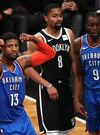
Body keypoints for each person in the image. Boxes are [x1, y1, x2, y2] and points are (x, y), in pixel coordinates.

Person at [0, 32, 56, 134]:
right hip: (4, 124)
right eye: (10, 46)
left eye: (16, 45)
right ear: (2, 48)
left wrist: (33, 38)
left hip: (22, 120)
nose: (14, 49)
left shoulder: (21, 63)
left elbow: (50, 53)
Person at [27, 3, 76, 134]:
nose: (59, 19)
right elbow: (27, 68)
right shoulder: (38, 38)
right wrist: (48, 86)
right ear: (46, 18)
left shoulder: (69, 33)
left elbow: (74, 63)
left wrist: (77, 93)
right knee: (52, 132)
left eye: (60, 15)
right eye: (54, 16)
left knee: (66, 131)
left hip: (65, 86)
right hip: (47, 88)